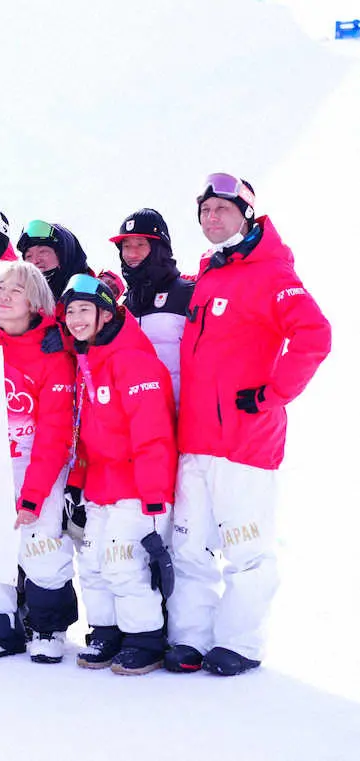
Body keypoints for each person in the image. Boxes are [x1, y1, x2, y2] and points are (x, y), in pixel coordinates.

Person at [166, 174, 331, 676]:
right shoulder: (209, 273)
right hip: (195, 439)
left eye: (222, 209)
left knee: (246, 549)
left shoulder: (272, 274)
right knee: (189, 547)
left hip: (245, 442)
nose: (211, 217)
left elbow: (314, 334)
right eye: (205, 210)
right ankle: (191, 639)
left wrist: (272, 394)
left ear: (247, 214)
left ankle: (240, 643)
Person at [50, 273, 176, 675]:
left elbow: (153, 433)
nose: (76, 319)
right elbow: (84, 434)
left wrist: (154, 494)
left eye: (84, 310)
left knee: (124, 563)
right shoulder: (87, 360)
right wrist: (77, 483)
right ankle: (106, 630)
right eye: (70, 311)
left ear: (106, 314)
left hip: (137, 487)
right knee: (91, 564)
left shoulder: (133, 360)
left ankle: (145, 638)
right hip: (99, 486)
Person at [0, 261, 78, 664]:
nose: (5, 296)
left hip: (37, 466)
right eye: (0, 288)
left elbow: (55, 432)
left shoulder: (52, 353)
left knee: (42, 546)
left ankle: (48, 629)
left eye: (17, 290)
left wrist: (33, 495)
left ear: (35, 301)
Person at [110, 208, 191, 404]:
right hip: (144, 416)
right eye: (126, 246)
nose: (132, 253)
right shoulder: (126, 306)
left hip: (187, 415)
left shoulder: (187, 293)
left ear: (158, 248)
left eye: (140, 244)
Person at [17, 220, 91, 299]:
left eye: (42, 251)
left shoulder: (93, 298)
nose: (35, 261)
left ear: (64, 255)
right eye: (29, 256)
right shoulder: (20, 301)